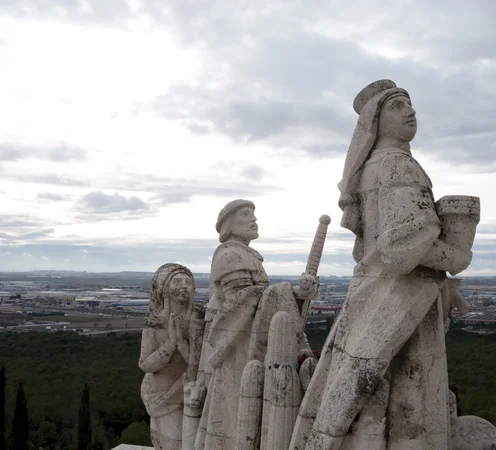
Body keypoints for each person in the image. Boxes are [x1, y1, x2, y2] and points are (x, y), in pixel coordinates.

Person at [290, 80, 474, 450]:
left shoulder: (374, 167)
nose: (410, 111)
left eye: (411, 104)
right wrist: (456, 256)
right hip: (399, 299)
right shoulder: (397, 167)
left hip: (373, 294)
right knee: (406, 403)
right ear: (376, 119)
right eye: (397, 105)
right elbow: (401, 251)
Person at [193, 199, 317, 450]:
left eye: (254, 215)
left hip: (246, 348)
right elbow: (240, 303)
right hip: (237, 349)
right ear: (228, 224)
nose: (253, 220)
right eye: (245, 214)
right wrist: (291, 292)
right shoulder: (230, 256)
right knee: (234, 414)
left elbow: (257, 298)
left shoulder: (247, 256)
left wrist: (299, 295)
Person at [139, 263, 195, 450]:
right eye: (177, 281)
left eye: (188, 281)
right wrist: (170, 345)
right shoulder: (154, 323)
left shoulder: (198, 320)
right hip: (161, 394)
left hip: (189, 390)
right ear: (164, 288)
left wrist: (181, 345)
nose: (184, 285)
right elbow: (146, 364)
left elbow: (201, 363)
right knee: (171, 443)